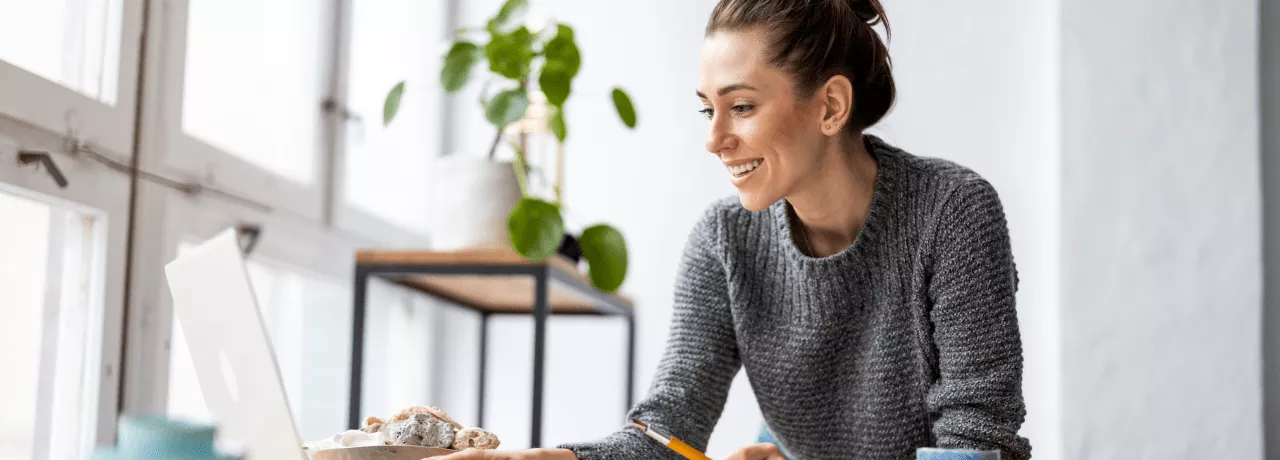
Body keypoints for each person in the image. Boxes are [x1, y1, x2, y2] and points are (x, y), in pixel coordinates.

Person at [440, 0, 1032, 458]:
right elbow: (667, 430)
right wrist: (548, 458)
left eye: (741, 107)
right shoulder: (724, 240)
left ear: (831, 106)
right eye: (708, 109)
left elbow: (975, 438)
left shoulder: (952, 211)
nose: (714, 139)